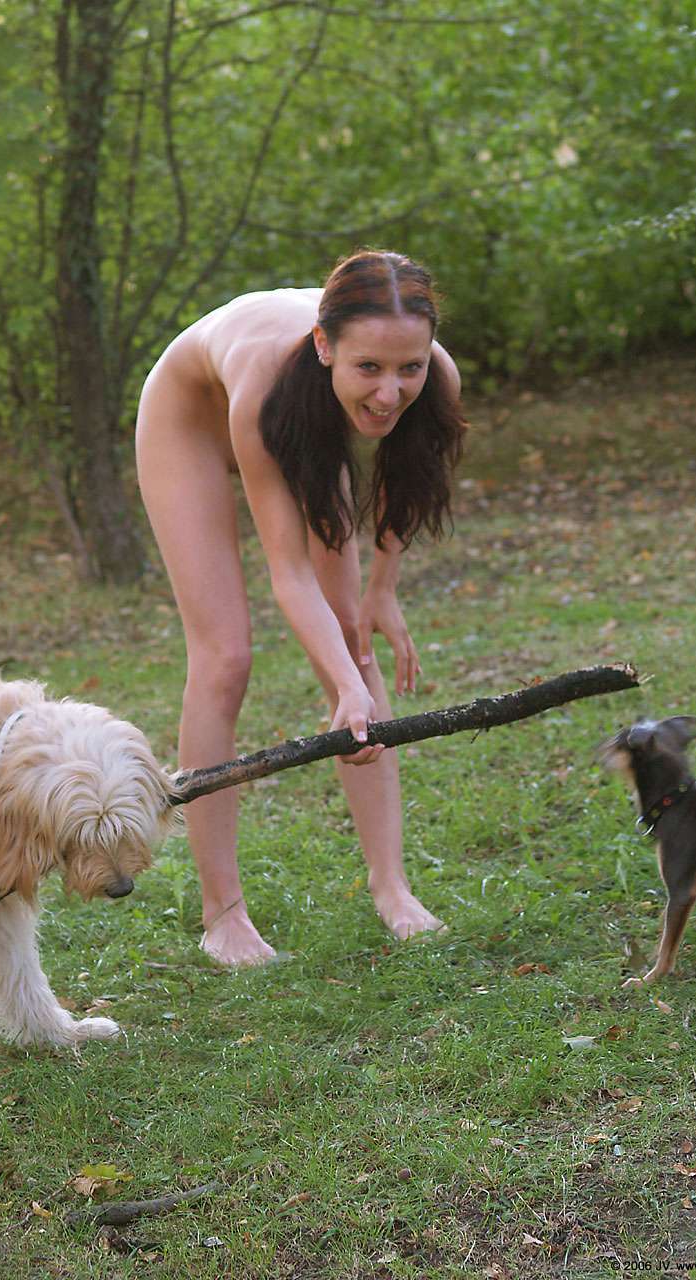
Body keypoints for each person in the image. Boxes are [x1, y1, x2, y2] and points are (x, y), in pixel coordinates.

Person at [135, 249, 466, 967]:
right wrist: (345, 686)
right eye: (369, 367)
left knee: (353, 636)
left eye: (407, 368)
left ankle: (392, 887)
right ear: (325, 345)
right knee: (225, 656)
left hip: (306, 417)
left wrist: (382, 593)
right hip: (191, 419)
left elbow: (406, 479)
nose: (390, 392)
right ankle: (223, 915)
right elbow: (288, 571)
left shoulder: (432, 373)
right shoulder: (266, 379)